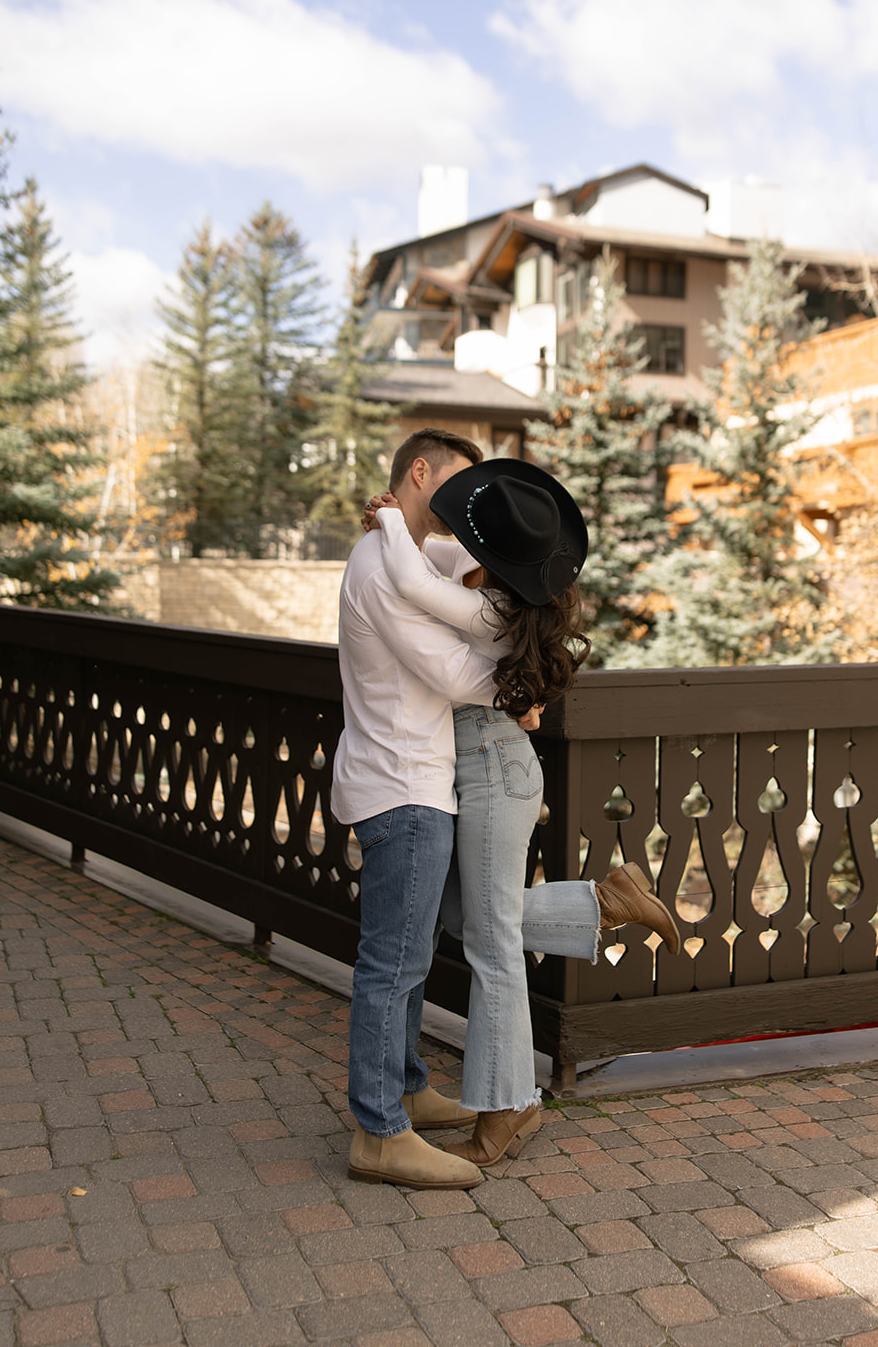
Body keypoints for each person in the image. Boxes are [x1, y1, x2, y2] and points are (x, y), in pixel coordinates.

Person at [369, 458, 682, 1166]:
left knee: (490, 943)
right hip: (477, 767)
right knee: (458, 918)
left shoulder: (489, 604)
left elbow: (413, 578)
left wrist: (391, 517)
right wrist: (405, 524)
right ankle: (603, 903)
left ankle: (509, 1104)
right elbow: (441, 559)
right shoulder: (500, 587)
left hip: (491, 771)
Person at [332, 427, 500, 1191]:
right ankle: (378, 1131)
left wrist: (403, 520)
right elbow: (461, 677)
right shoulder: (378, 570)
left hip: (413, 782)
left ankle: (402, 1085)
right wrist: (520, 669)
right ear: (419, 472)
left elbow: (454, 562)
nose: (463, 506)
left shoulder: (404, 549)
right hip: (402, 788)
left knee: (408, 958)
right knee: (391, 968)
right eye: (455, 488)